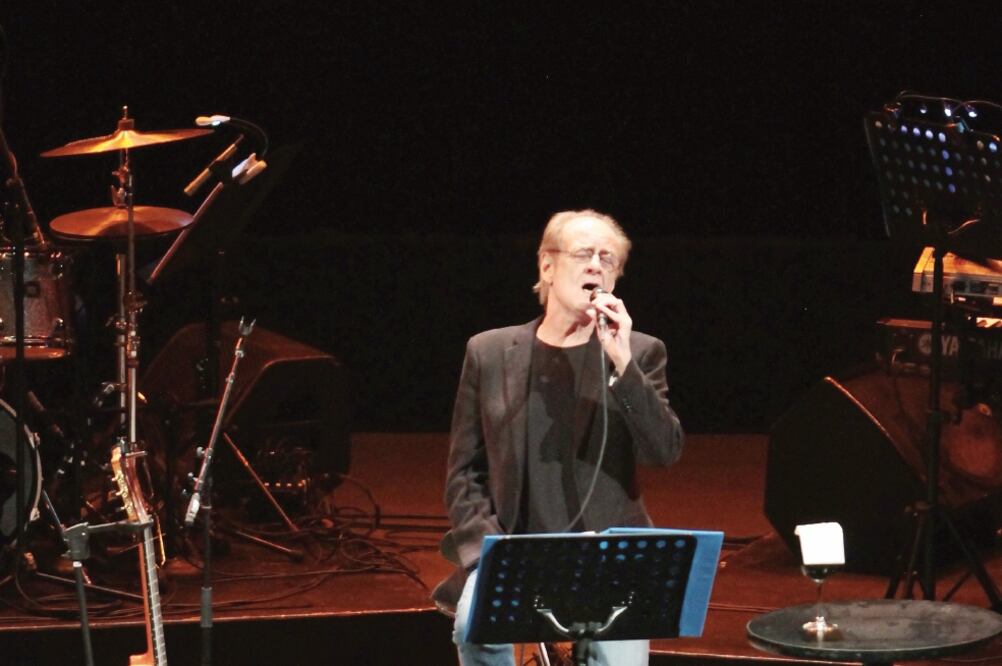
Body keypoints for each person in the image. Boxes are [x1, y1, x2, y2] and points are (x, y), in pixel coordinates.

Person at [433, 209, 685, 665]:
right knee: (474, 625)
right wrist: (486, 553)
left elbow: (664, 451)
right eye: (584, 254)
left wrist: (623, 364)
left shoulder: (641, 352)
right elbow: (464, 471)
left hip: (607, 558)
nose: (596, 266)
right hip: (514, 553)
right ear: (547, 266)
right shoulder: (490, 351)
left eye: (608, 259)